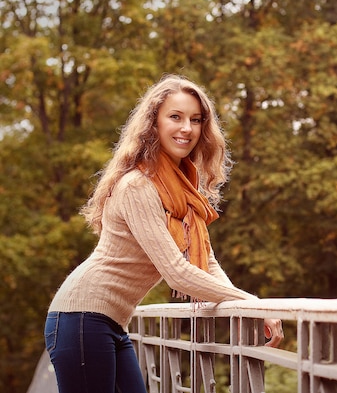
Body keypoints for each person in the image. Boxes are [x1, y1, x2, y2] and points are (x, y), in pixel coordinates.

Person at [44, 74, 283, 393]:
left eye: (195, 120)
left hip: (111, 323)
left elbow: (206, 264)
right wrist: (254, 302)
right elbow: (177, 273)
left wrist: (251, 308)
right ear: (153, 124)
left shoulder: (182, 191)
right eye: (175, 117)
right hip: (83, 317)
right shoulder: (138, 186)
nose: (187, 128)